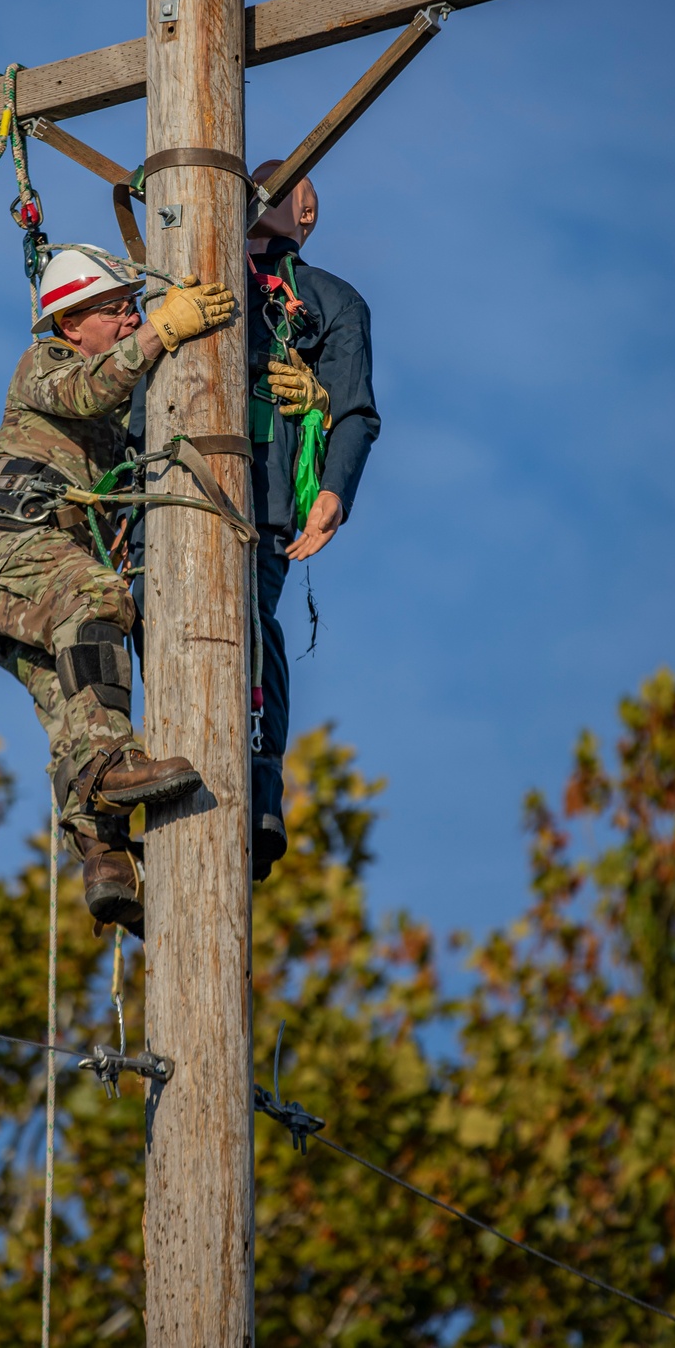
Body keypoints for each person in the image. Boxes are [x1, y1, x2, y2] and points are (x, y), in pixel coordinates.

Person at [0, 246, 234, 936]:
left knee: (68, 710)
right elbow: (90, 389)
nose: (129, 318)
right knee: (97, 598)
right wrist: (163, 331)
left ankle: (104, 857)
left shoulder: (111, 427)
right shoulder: (45, 365)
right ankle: (113, 768)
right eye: (115, 310)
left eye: (131, 309)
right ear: (70, 323)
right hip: (14, 544)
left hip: (8, 581)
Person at [245, 161, 381, 878]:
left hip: (264, 498)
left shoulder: (328, 300)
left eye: (310, 204)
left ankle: (258, 790)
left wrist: (333, 491)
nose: (307, 211)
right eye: (295, 195)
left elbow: (355, 408)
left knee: (246, 623)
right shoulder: (181, 277)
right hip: (170, 496)